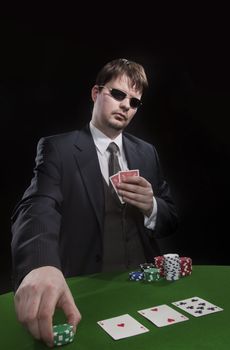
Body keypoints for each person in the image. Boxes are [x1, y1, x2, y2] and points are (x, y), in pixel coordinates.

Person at [11, 58, 178, 347]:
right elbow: (37, 205)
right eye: (117, 94)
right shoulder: (58, 148)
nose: (126, 105)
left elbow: (170, 216)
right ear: (95, 93)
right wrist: (40, 264)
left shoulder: (147, 153)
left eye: (135, 102)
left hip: (144, 287)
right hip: (87, 289)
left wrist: (152, 206)